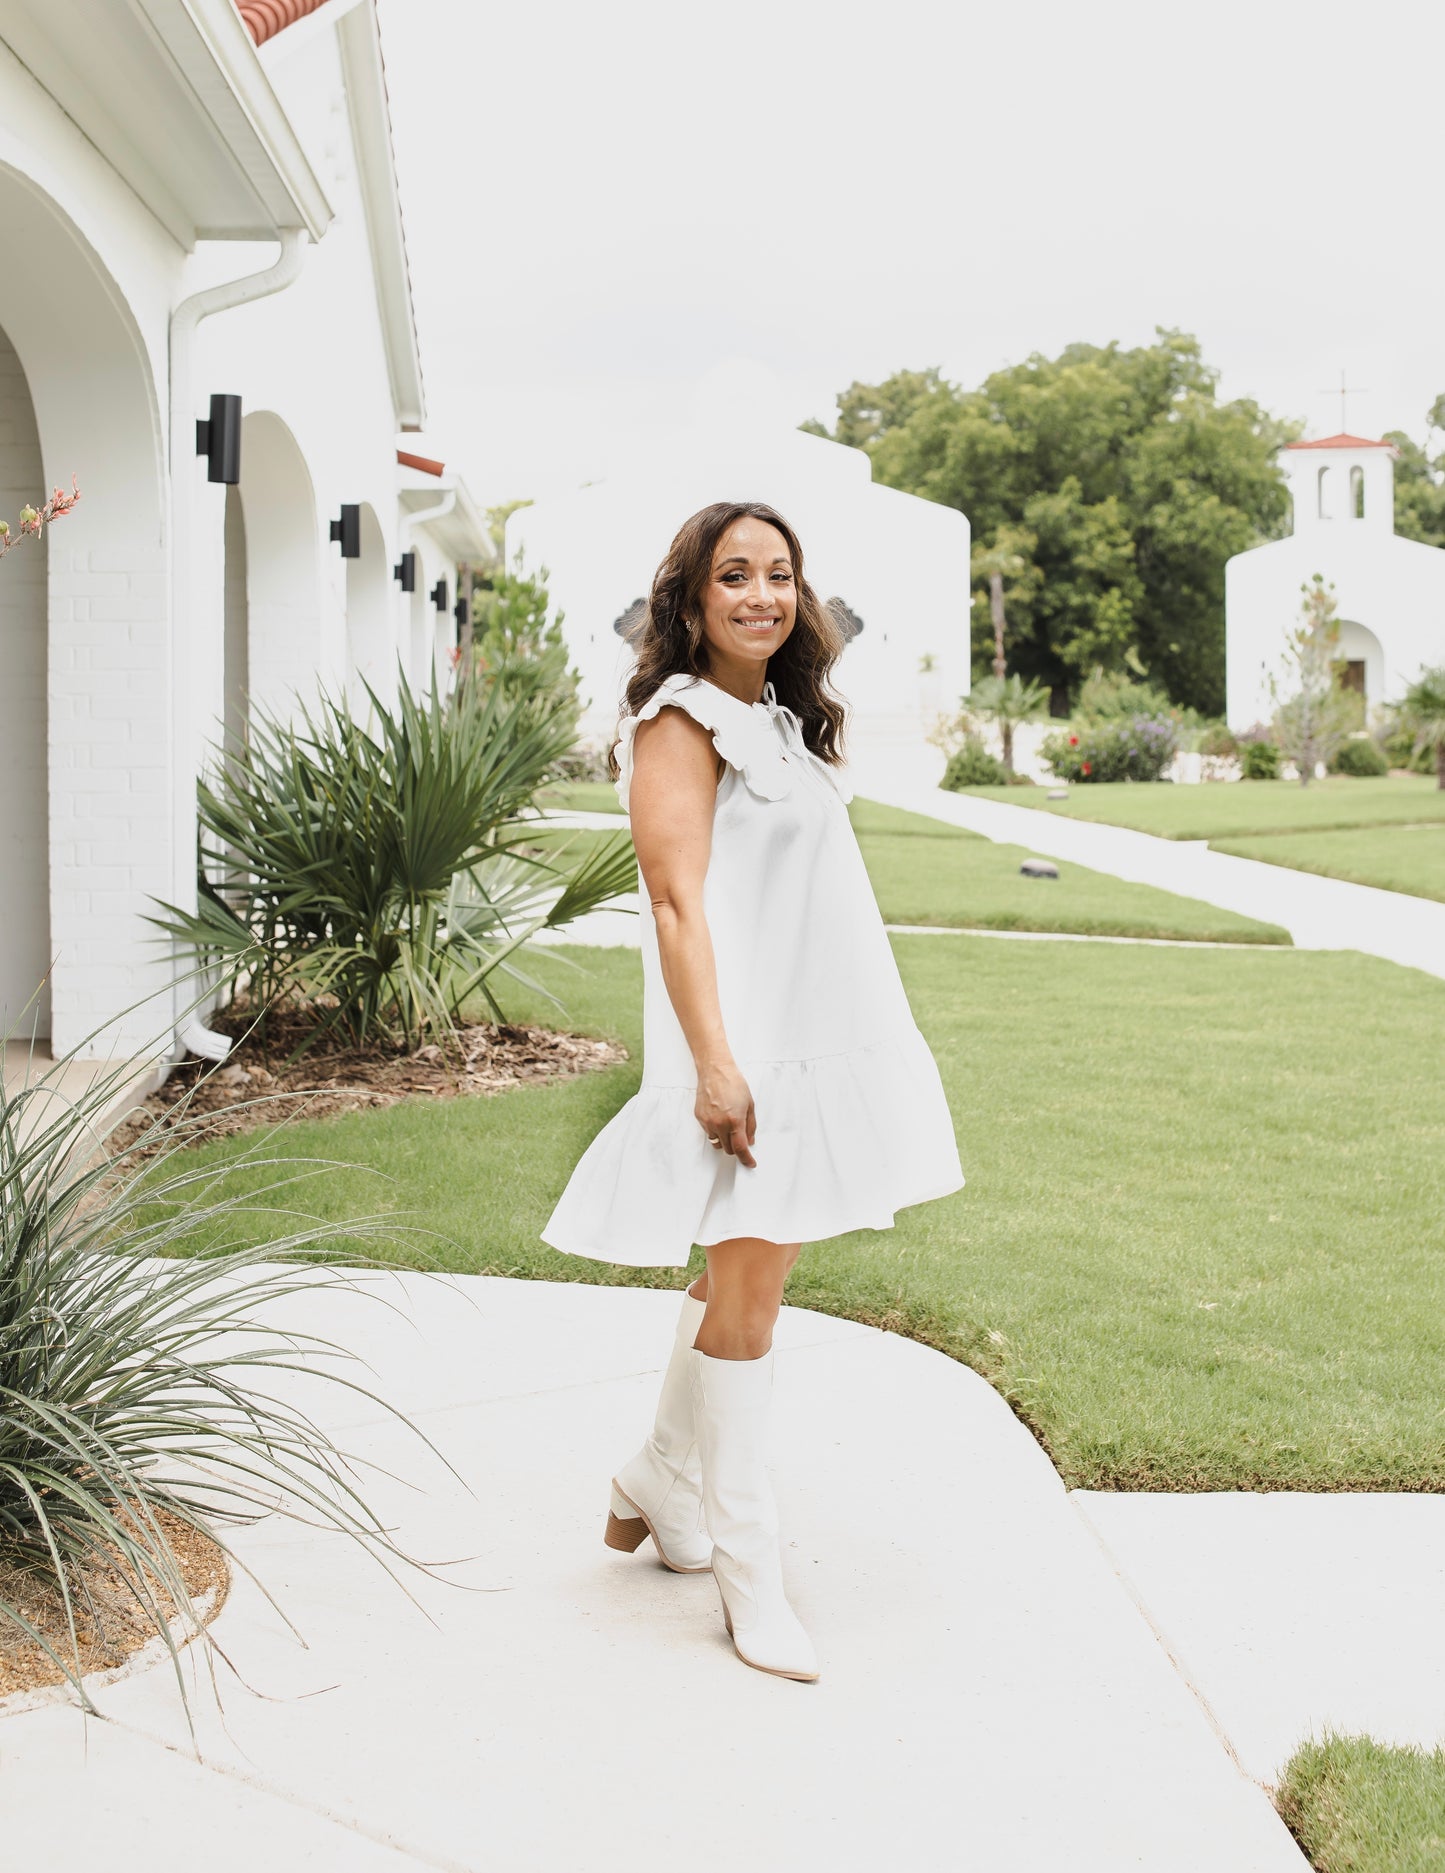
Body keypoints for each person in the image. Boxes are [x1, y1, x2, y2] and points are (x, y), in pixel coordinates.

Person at [542, 501, 963, 1682]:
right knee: (752, 1297)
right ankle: (747, 1565)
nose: (761, 596)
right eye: (734, 576)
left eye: (779, 575)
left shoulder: (779, 721)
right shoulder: (677, 723)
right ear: (691, 598)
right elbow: (675, 905)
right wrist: (715, 1063)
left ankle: (652, 1481)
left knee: (735, 1270)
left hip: (812, 1035)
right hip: (741, 1049)